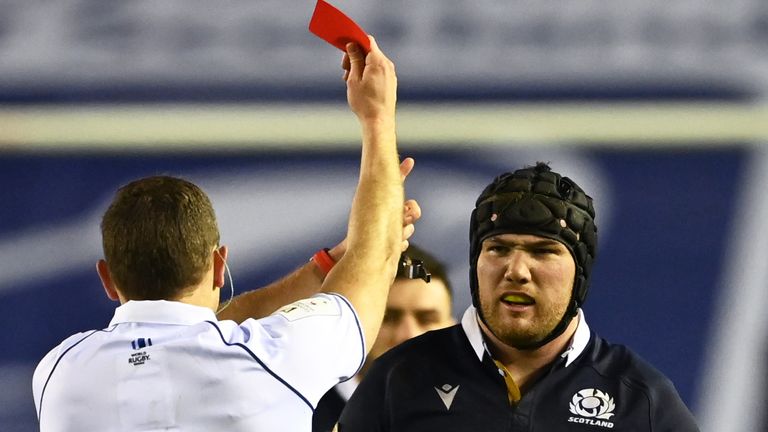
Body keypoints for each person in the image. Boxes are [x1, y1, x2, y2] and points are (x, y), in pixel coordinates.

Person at [32, 36, 417, 432]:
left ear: (107, 279)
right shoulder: (273, 359)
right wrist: (378, 118)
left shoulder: (58, 373)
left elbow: (191, 337)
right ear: (219, 266)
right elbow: (377, 256)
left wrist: (328, 266)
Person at [338, 162, 700, 431]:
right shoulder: (397, 378)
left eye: (543, 251)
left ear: (581, 274)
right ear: (475, 264)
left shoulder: (640, 399)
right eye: (498, 248)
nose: (516, 270)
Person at [312, 244, 455, 432]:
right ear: (356, 322)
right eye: (388, 318)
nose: (409, 335)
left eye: (426, 319)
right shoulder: (297, 413)